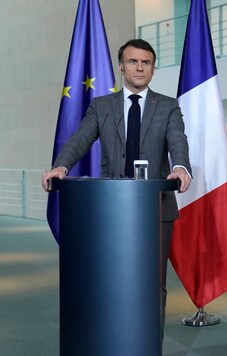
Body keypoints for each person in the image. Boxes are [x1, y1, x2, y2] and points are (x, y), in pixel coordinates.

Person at [41, 39, 192, 340]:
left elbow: (178, 140)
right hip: (110, 210)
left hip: (156, 210)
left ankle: (149, 341)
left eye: (145, 62)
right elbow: (79, 139)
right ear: (121, 66)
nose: (139, 67)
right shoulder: (101, 106)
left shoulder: (168, 105)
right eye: (133, 62)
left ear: (153, 68)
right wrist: (61, 166)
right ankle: (112, 338)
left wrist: (181, 168)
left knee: (153, 282)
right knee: (109, 278)